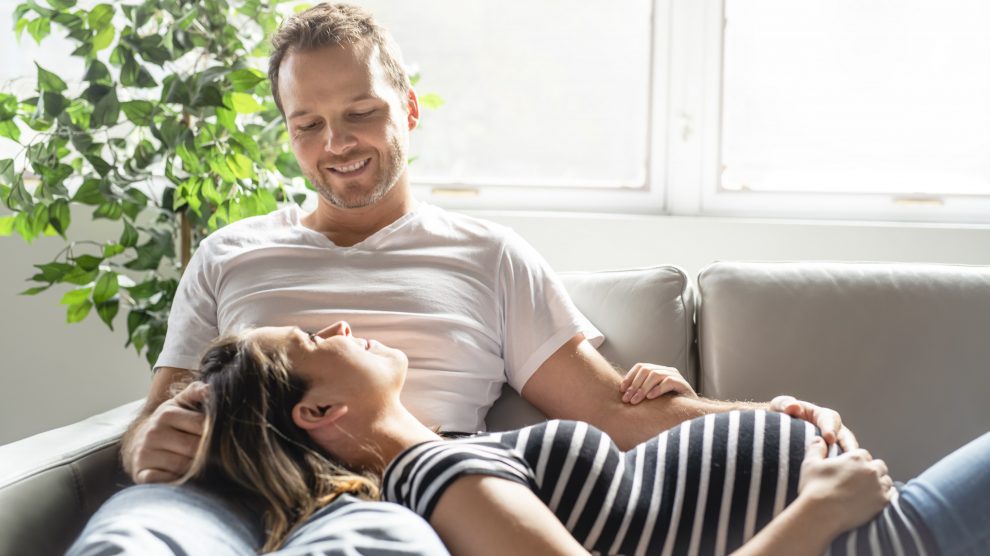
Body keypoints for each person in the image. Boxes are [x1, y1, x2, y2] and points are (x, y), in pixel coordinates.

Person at [73, 3, 857, 554]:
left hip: (383, 497)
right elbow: (149, 422)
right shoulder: (228, 254)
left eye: (360, 113)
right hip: (218, 493)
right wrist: (149, 447)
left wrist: (782, 416)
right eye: (308, 125)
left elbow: (609, 411)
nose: (336, 143)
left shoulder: (488, 255)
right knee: (130, 539)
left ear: (409, 110)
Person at [180, 323, 990, 555]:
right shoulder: (436, 477)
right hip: (878, 540)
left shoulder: (446, 456)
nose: (338, 326)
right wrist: (819, 509)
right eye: (312, 341)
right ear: (317, 412)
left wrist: (749, 421)